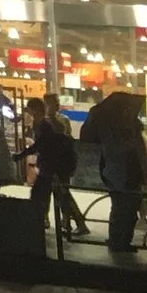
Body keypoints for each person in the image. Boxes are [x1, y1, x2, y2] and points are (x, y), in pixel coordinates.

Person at [80, 91, 147, 253]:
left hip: (132, 174)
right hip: (119, 174)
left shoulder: (132, 126)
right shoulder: (111, 128)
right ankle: (117, 241)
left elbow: (140, 152)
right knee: (121, 209)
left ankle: (124, 240)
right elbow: (113, 150)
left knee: (130, 211)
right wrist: (129, 143)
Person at [19, 96, 90, 243]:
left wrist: (22, 154)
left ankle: (52, 221)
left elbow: (41, 145)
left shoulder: (47, 123)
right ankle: (64, 222)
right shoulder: (42, 123)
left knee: (49, 194)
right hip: (53, 166)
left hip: (54, 166)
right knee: (55, 195)